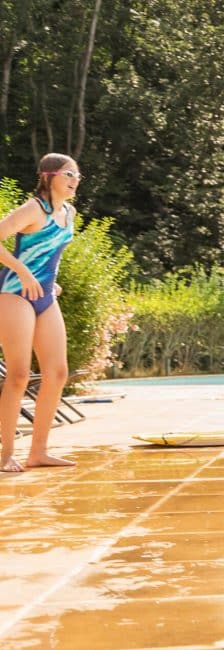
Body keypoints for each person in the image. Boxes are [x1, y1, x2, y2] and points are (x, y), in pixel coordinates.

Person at [0, 153, 80, 472]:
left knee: (57, 373)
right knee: (19, 374)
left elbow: (50, 254)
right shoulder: (34, 208)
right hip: (14, 294)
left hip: (44, 295)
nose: (74, 180)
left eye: (77, 175)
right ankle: (7, 454)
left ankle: (39, 452)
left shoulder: (69, 212)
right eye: (68, 173)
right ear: (48, 176)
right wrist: (22, 271)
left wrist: (51, 282)